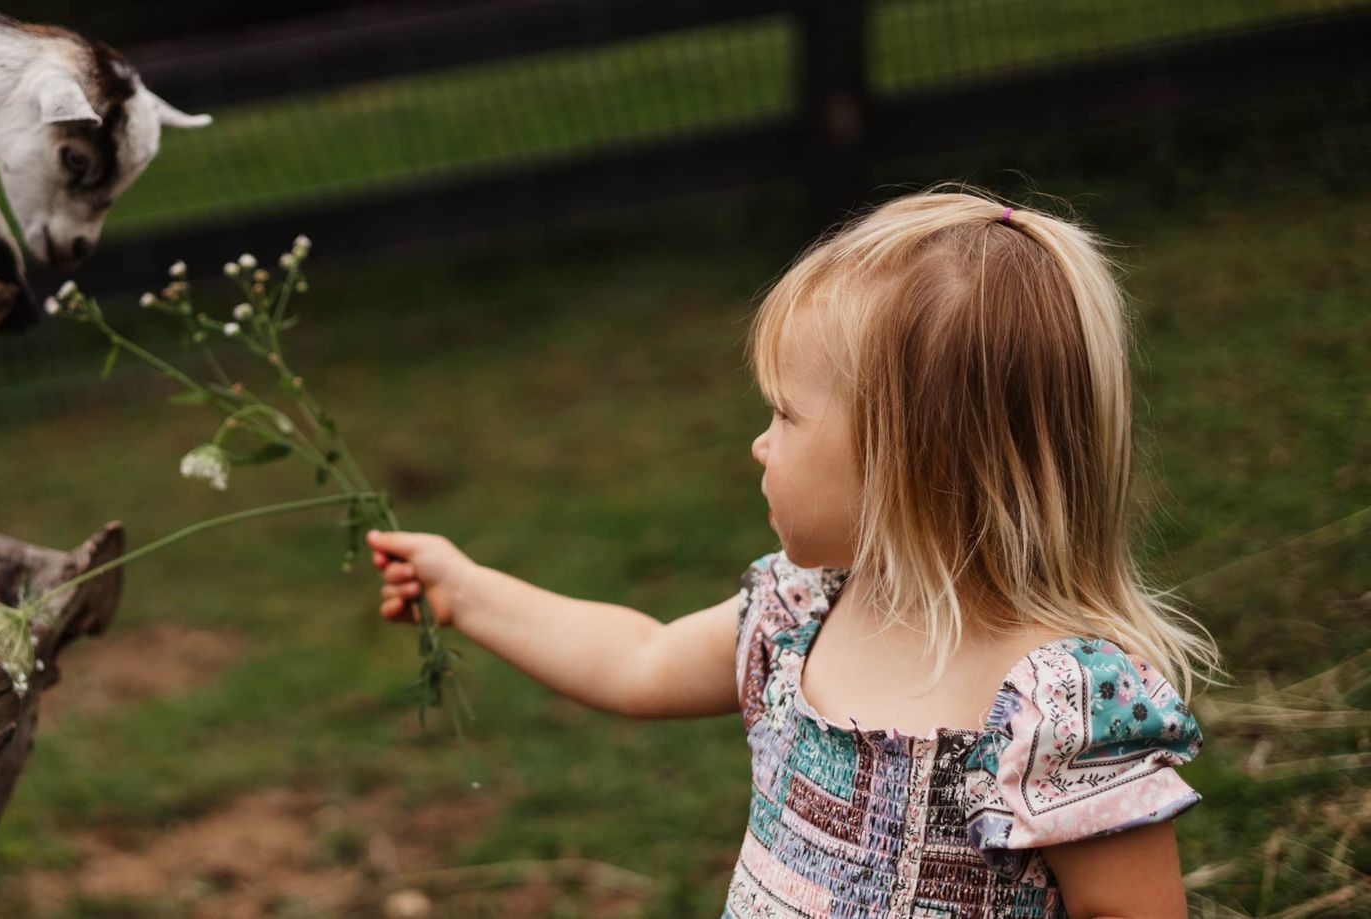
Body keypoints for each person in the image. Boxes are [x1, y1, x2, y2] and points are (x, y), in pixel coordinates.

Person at [365, 187, 1218, 918]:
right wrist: (464, 589)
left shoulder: (1062, 710)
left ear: (909, 461)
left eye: (784, 414)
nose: (759, 444)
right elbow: (639, 657)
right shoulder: (801, 611)